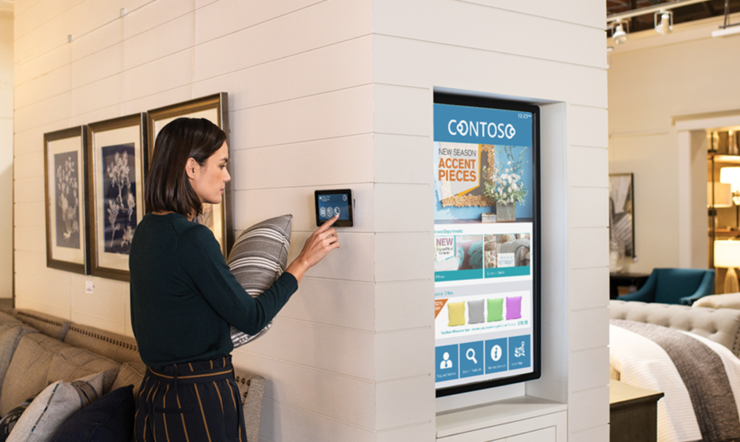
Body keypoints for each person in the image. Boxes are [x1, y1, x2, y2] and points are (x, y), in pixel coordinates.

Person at [129, 117, 340, 442]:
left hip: (155, 396)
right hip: (197, 399)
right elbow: (251, 318)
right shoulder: (192, 239)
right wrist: (302, 262)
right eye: (222, 165)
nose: (227, 176)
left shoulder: (146, 231)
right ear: (191, 168)